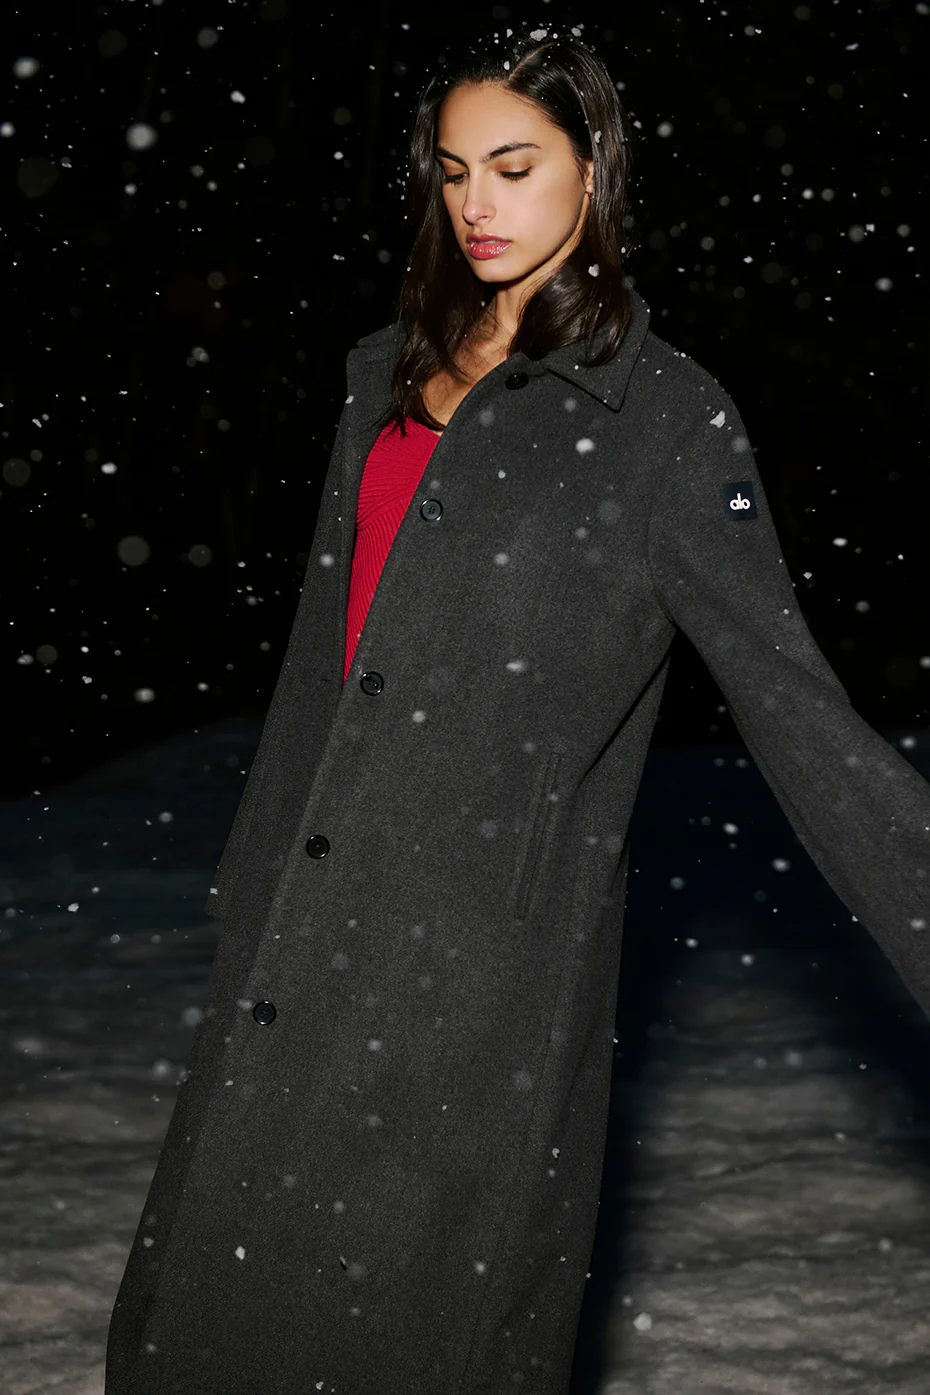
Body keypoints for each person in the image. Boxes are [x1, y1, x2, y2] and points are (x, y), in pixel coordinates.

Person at [105, 22, 930, 1395]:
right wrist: (251, 887)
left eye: (512, 166)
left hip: (480, 972)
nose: (475, 204)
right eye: (451, 172)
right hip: (306, 935)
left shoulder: (664, 422)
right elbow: (321, 664)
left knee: (418, 1336)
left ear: (592, 168)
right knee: (211, 1320)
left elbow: (799, 711)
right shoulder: (382, 373)